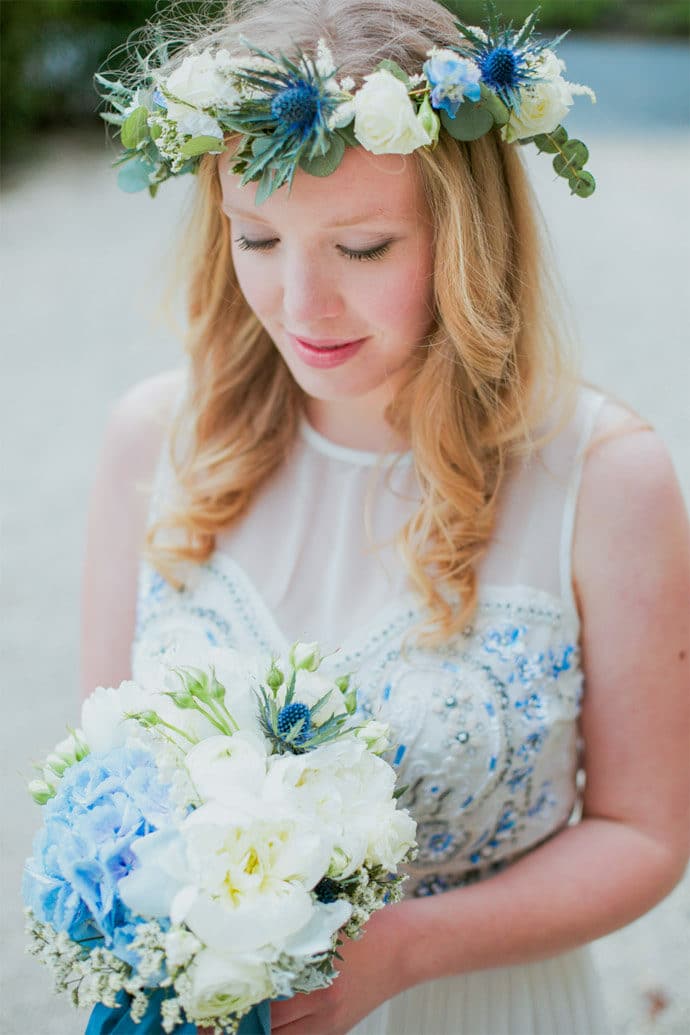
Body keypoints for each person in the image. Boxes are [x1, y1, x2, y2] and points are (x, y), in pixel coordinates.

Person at [82, 1, 690, 1032]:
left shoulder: (603, 477)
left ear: (467, 237)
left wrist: (401, 950)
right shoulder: (154, 440)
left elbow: (645, 833)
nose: (301, 303)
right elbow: (100, 785)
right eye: (259, 237)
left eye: (362, 248)